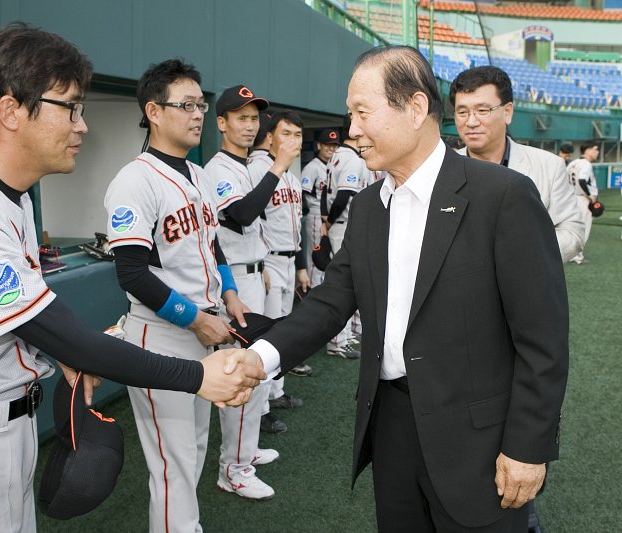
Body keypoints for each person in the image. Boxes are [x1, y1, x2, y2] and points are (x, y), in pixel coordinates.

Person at [0, 26, 263, 533]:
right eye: (69, 106)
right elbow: (60, 328)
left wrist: (65, 353)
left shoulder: (10, 196)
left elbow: (19, 328)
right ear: (10, 112)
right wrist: (199, 377)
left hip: (3, 426)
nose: (82, 126)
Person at [242, 45, 569, 531]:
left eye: (362, 112)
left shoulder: (502, 196)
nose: (352, 129)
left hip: (479, 443)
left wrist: (527, 448)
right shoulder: (372, 207)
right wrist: (258, 359)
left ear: (415, 109)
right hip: (392, 430)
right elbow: (332, 303)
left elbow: (543, 340)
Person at [104, 60, 264, 532]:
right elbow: (131, 272)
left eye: (201, 104)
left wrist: (231, 294)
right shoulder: (134, 180)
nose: (197, 114)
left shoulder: (194, 175)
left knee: (191, 450)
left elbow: (210, 244)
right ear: (154, 111)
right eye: (185, 105)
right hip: (162, 333)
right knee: (172, 464)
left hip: (205, 324)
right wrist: (196, 318)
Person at [202, 84, 281, 500]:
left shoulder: (247, 165)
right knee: (241, 377)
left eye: (254, 118)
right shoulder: (217, 168)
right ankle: (232, 468)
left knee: (260, 375)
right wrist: (278, 167)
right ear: (222, 123)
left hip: (254, 272)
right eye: (241, 118)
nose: (250, 125)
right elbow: (239, 216)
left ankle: (244, 453)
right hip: (233, 281)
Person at [450, 65, 584, 263]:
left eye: (482, 110)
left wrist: (523, 252)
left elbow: (572, 231)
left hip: (525, 287)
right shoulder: (442, 169)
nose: (471, 122)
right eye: (462, 112)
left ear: (508, 112)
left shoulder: (549, 166)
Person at [248, 111, 313, 391]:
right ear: (270, 136)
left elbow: (296, 225)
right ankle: (261, 408)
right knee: (269, 335)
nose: (293, 141)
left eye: (298, 135)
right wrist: (260, 264)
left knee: (283, 332)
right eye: (286, 134)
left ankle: (276, 393)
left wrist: (300, 266)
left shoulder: (292, 178)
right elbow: (250, 223)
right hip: (268, 261)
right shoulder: (257, 168)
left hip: (288, 261)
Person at [322, 113, 372, 359]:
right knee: (343, 279)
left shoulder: (336, 157)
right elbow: (343, 196)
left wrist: (325, 219)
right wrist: (329, 222)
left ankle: (346, 334)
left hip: (339, 223)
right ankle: (337, 340)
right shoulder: (352, 160)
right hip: (342, 224)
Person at [301, 128, 339, 286]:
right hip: (316, 215)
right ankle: (309, 290)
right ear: (319, 146)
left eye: (334, 145)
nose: (331, 148)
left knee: (327, 255)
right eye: (327, 145)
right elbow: (303, 195)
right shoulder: (312, 167)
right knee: (315, 256)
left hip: (332, 217)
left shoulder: (335, 166)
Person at [567, 142, 600, 265]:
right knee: (583, 229)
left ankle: (570, 254)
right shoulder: (586, 164)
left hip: (571, 198)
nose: (598, 152)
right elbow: (582, 180)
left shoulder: (573, 163)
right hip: (582, 199)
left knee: (572, 227)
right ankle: (577, 256)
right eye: (596, 149)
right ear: (587, 150)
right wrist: (590, 197)